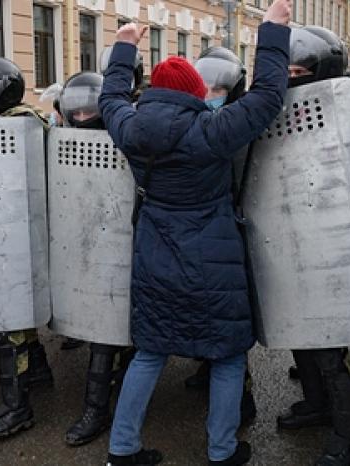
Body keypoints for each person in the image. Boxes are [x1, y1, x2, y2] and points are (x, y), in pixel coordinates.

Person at [98, 0, 291, 462]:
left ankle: (122, 450)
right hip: (211, 259)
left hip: (156, 256)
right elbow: (267, 96)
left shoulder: (129, 128)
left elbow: (109, 99)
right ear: (195, 92)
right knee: (226, 356)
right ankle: (221, 452)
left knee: (149, 353)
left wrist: (123, 48)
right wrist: (272, 33)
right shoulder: (212, 130)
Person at [274, 25, 350, 466]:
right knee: (299, 334)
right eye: (286, 70)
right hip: (288, 231)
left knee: (332, 348)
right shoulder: (275, 107)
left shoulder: (348, 107)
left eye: (299, 70)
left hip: (333, 242)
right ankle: (315, 403)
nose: (292, 78)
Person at [0, 56, 54, 438]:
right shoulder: (13, 122)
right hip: (8, 232)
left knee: (8, 324)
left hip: (17, 234)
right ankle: (38, 369)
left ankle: (17, 408)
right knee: (16, 316)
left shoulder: (20, 125)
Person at [54, 70, 140, 447]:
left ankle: (98, 408)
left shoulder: (131, 136)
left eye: (92, 110)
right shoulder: (57, 141)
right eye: (78, 109)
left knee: (111, 332)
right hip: (81, 242)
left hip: (125, 243)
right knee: (100, 327)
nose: (83, 116)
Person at [182, 45, 257, 426]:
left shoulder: (241, 123)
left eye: (218, 88)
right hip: (206, 227)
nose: (211, 95)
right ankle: (206, 369)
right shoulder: (195, 121)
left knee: (231, 318)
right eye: (205, 87)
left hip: (234, 227)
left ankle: (242, 395)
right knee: (203, 307)